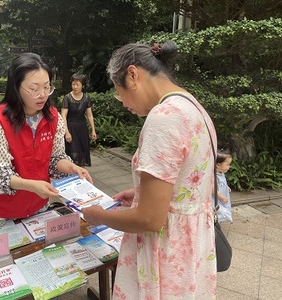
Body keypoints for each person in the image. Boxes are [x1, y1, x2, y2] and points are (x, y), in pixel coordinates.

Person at [81, 41, 217, 299]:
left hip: (166, 253)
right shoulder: (192, 105)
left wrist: (98, 216)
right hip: (192, 249)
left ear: (133, 75)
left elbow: (150, 220)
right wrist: (142, 192)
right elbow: (190, 181)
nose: (122, 102)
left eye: (119, 92)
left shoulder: (163, 117)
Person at [0, 53, 92, 228]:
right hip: (2, 212)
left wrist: (72, 168)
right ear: (16, 87)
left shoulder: (53, 117)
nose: (42, 95)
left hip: (38, 206)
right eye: (34, 89)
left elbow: (55, 158)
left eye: (47, 87)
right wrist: (33, 186)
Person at [61, 73, 96, 166]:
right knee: (72, 151)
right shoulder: (67, 98)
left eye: (77, 85)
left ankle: (81, 170)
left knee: (82, 150)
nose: (75, 87)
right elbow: (63, 115)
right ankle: (71, 170)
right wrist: (66, 132)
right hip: (71, 127)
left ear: (82, 86)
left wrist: (93, 130)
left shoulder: (86, 98)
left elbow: (89, 115)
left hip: (82, 128)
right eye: (73, 84)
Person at [215, 150, 233, 223]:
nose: (229, 167)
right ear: (218, 165)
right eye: (227, 164)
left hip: (223, 196)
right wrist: (222, 197)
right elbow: (213, 190)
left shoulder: (221, 173)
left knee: (222, 209)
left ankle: (218, 222)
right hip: (218, 198)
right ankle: (215, 224)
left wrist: (226, 186)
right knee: (219, 210)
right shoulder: (215, 177)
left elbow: (223, 182)